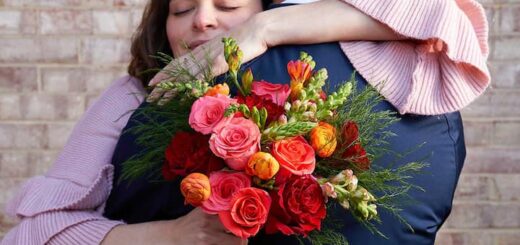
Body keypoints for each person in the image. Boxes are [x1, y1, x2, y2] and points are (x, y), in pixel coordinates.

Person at [0, 0, 489, 244]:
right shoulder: (132, 97)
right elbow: (29, 234)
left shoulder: (295, 72)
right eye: (182, 9)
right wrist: (172, 235)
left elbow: (446, 18)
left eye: (230, 6)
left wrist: (268, 29)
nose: (202, 22)